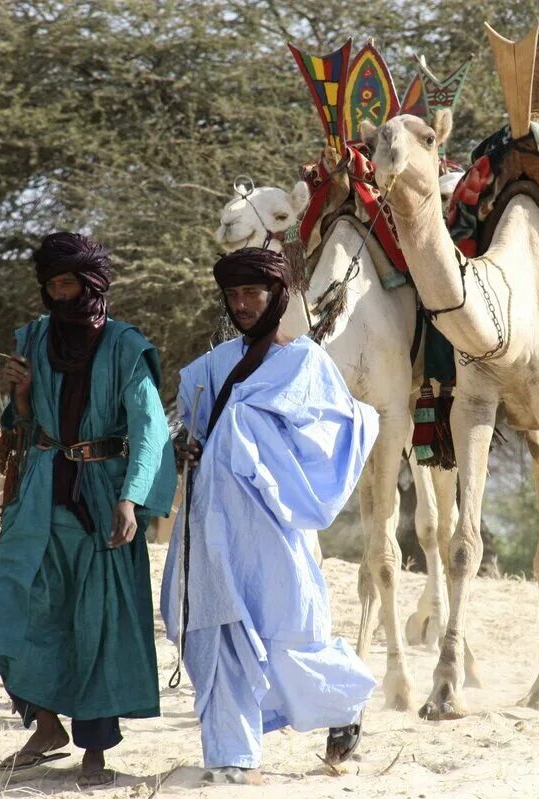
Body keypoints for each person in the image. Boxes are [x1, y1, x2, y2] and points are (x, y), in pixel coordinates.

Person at [161, 247, 378, 785]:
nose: (241, 304)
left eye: (252, 294)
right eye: (233, 296)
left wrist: (257, 442)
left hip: (273, 528)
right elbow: (190, 429)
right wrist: (188, 448)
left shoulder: (306, 363)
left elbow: (334, 436)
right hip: (209, 528)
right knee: (212, 634)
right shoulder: (211, 366)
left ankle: (342, 705)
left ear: (277, 297)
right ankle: (233, 758)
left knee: (290, 633)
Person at [0, 232, 176, 787]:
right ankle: (46, 725)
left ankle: (95, 753)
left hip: (102, 503)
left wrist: (131, 499)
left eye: (68, 283)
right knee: (17, 598)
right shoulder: (34, 338)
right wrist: (18, 400)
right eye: (52, 285)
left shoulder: (124, 347)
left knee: (100, 623)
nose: (60, 294)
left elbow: (149, 431)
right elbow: (19, 428)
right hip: (41, 498)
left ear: (91, 285)